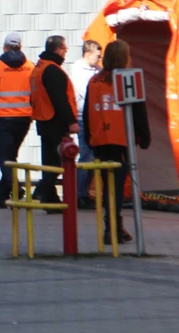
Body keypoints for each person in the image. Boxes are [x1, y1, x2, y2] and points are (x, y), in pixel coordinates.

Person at [84, 40, 150, 243]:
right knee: (117, 187)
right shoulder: (126, 79)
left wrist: (89, 138)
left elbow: (87, 112)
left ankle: (112, 226)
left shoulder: (94, 81)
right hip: (121, 139)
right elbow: (138, 110)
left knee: (107, 186)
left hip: (100, 140)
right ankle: (113, 228)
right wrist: (144, 136)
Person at [0, 32, 35, 209]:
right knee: (10, 157)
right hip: (24, 119)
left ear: (5, 47)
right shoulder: (30, 67)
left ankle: (16, 189)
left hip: (4, 118)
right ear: (21, 46)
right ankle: (1, 198)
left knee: (4, 158)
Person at [29, 35, 78, 208]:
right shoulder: (52, 70)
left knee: (49, 161)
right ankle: (39, 192)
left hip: (43, 120)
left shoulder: (39, 68)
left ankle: (50, 200)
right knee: (57, 163)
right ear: (58, 49)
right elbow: (60, 99)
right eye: (65, 49)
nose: (66, 52)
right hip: (54, 122)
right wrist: (71, 121)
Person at [70, 40, 103, 207]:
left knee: (93, 156)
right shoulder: (78, 70)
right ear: (87, 53)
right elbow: (85, 93)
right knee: (87, 155)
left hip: (96, 117)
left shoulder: (98, 70)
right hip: (83, 116)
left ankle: (83, 193)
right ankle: (78, 194)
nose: (100, 58)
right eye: (97, 55)